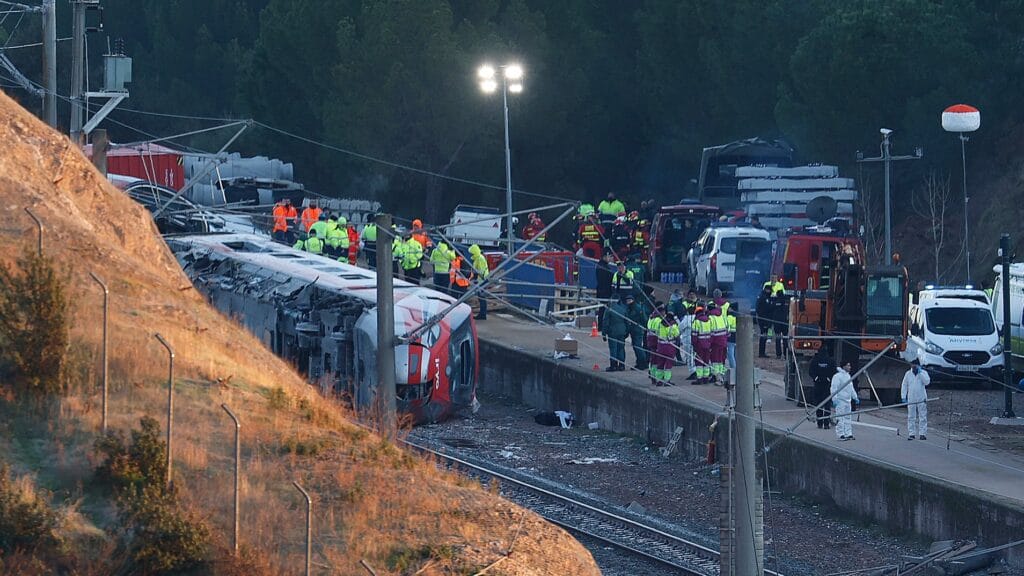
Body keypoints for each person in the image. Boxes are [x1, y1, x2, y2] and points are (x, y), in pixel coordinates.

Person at [901, 361, 931, 440]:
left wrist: (920, 373)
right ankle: (911, 433)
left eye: (916, 365)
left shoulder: (923, 373)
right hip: (911, 398)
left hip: (921, 398)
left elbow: (927, 382)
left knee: (922, 416)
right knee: (911, 416)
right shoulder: (908, 374)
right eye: (913, 365)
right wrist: (903, 396)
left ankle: (922, 434)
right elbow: (904, 385)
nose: (914, 366)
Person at [830, 362, 859, 441]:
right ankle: (840, 434)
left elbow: (851, 388)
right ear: (844, 366)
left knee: (848, 417)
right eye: (848, 365)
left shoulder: (848, 376)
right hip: (840, 401)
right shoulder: (837, 376)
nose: (850, 367)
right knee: (840, 417)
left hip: (847, 401)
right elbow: (834, 388)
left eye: (850, 365)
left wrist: (855, 397)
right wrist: (835, 399)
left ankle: (848, 433)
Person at [602, 295, 629, 371]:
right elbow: (626, 321)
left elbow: (605, 323)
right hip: (622, 331)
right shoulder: (623, 309)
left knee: (613, 348)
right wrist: (626, 331)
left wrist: (604, 334)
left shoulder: (609, 309)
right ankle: (622, 365)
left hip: (612, 332)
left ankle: (613, 365)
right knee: (621, 348)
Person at [653, 311, 680, 385]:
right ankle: (667, 381)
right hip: (670, 347)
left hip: (660, 347)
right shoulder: (673, 326)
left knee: (660, 364)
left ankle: (659, 380)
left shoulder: (660, 325)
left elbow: (656, 333)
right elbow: (677, 336)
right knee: (668, 365)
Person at [809, 347, 833, 429]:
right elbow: (834, 371)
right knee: (827, 405)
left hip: (819, 385)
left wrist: (815, 378)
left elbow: (811, 371)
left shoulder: (815, 360)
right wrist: (829, 378)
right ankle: (825, 423)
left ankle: (820, 423)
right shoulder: (830, 360)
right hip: (825, 385)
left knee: (819, 404)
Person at [625, 294, 648, 370]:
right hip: (633, 330)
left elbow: (643, 318)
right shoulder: (629, 308)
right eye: (627, 300)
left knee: (638, 347)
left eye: (629, 300)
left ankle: (643, 363)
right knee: (635, 347)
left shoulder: (637, 308)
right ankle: (639, 363)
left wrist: (644, 327)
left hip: (638, 330)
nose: (628, 302)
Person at [707, 301, 728, 385]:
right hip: (723, 341)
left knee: (715, 360)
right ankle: (723, 376)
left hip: (715, 342)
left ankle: (717, 378)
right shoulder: (722, 316)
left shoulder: (711, 318)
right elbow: (727, 329)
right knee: (721, 359)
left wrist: (709, 343)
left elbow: (711, 332)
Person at [469, 244, 490, 320]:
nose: (471, 255)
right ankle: (482, 313)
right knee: (481, 297)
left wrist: (475, 278)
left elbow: (480, 271)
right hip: (481, 279)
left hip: (482, 279)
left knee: (482, 297)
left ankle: (482, 314)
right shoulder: (478, 258)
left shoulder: (479, 258)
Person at [693, 305, 712, 385]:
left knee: (699, 361)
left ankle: (699, 378)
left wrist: (693, 345)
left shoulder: (696, 322)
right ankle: (706, 377)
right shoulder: (709, 320)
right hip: (708, 344)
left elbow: (694, 335)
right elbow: (712, 333)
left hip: (699, 344)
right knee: (706, 360)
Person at [755, 284, 774, 358]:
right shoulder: (763, 297)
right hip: (763, 319)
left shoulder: (763, 296)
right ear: (767, 290)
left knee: (764, 335)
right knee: (763, 335)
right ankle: (761, 353)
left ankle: (762, 352)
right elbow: (766, 308)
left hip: (763, 318)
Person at [726, 303, 738, 381]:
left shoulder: (729, 317)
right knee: (734, 353)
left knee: (730, 354)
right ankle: (736, 368)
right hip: (737, 336)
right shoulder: (738, 316)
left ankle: (733, 369)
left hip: (730, 337)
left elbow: (727, 327)